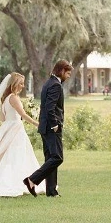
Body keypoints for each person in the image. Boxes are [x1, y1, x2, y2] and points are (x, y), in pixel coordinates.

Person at [24, 59, 72, 198]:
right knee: (57, 157)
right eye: (67, 73)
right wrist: (55, 124)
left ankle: (51, 191)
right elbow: (50, 108)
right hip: (52, 128)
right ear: (61, 71)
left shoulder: (48, 82)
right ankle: (32, 180)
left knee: (50, 158)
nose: (68, 76)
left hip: (45, 127)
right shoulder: (55, 85)